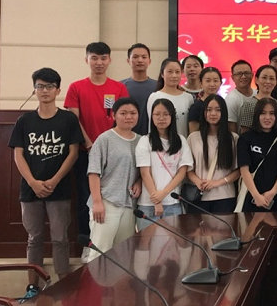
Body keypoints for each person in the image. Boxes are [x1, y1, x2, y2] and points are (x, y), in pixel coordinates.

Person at [9, 68, 82, 281]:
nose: (45, 90)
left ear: (58, 90)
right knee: (34, 238)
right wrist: (33, 182)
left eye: (50, 86)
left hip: (60, 188)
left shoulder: (68, 119)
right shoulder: (24, 120)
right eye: (40, 86)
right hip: (30, 189)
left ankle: (63, 281)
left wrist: (55, 180)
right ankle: (33, 285)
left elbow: (73, 153)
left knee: (60, 238)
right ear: (34, 90)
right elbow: (18, 155)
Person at [65, 42, 129, 242]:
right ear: (87, 60)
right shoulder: (76, 87)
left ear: (109, 60)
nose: (99, 62)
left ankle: (111, 239)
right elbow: (73, 119)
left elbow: (121, 118)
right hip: (86, 151)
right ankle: (88, 242)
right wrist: (90, 144)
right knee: (86, 196)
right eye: (94, 58)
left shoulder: (119, 88)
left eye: (103, 58)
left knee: (111, 196)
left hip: (114, 154)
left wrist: (109, 147)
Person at [87, 98, 142, 260]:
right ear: (114, 115)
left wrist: (139, 182)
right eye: (123, 113)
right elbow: (93, 172)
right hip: (107, 202)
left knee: (124, 254)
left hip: (129, 204)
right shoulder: (105, 139)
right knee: (99, 252)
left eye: (133, 113)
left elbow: (142, 170)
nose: (128, 117)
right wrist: (97, 202)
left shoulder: (141, 140)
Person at [135, 98, 193, 228]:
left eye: (166, 114)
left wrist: (163, 194)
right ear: (151, 116)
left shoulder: (181, 140)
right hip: (148, 204)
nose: (161, 118)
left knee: (172, 241)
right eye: (157, 114)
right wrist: (157, 201)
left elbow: (182, 172)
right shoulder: (145, 141)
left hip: (173, 203)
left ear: (172, 116)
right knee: (147, 241)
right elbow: (145, 173)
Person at [186, 95, 240, 213]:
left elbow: (238, 171)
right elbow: (188, 169)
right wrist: (198, 181)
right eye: (209, 110)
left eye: (218, 110)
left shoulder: (233, 138)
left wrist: (217, 183)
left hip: (225, 197)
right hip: (198, 196)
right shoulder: (193, 138)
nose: (213, 114)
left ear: (223, 113)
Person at [237, 98, 277, 212]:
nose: (267, 117)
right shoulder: (245, 138)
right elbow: (244, 170)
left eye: (271, 113)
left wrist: (273, 192)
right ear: (257, 115)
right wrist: (256, 195)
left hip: (275, 198)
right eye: (263, 113)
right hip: (250, 196)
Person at [147, 58, 194, 138]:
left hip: (182, 143)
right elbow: (151, 124)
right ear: (162, 74)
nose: (174, 75)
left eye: (177, 72)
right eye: (170, 72)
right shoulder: (155, 96)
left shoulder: (188, 97)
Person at [121, 43, 156, 135]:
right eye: (135, 57)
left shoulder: (159, 86)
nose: (140, 60)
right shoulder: (120, 86)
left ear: (149, 61)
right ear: (128, 61)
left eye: (144, 57)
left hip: (152, 137)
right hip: (126, 136)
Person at [238, 65, 277, 134]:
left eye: (272, 78)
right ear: (256, 80)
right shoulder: (249, 104)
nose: (268, 81)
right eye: (264, 78)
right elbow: (244, 132)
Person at [225, 59, 256, 134]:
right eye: (239, 74)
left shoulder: (258, 93)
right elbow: (232, 131)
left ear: (252, 75)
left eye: (246, 73)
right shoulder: (231, 99)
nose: (243, 76)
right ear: (233, 77)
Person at [188, 66, 222, 133]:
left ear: (220, 83)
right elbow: (193, 133)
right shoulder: (196, 107)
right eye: (208, 81)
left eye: (215, 81)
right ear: (201, 83)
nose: (212, 84)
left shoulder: (223, 104)